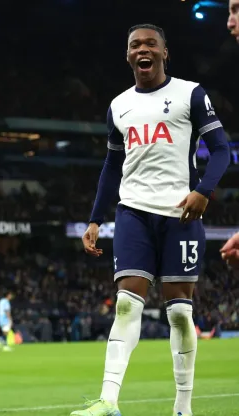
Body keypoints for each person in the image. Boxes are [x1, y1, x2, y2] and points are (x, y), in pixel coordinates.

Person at [75, 24, 230, 416]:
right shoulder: (118, 106)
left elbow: (221, 150)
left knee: (179, 312)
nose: (142, 49)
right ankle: (108, 400)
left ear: (164, 52)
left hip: (180, 212)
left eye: (150, 44)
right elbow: (112, 166)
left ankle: (182, 406)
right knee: (127, 305)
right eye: (134, 45)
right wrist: (95, 219)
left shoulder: (190, 94)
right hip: (133, 212)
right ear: (128, 56)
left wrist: (203, 191)